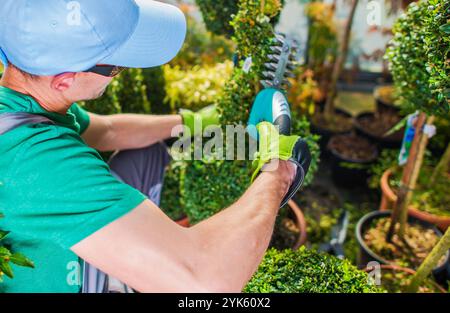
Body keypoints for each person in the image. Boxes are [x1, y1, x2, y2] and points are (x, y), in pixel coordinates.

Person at [0, 0, 310, 293]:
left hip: (60, 235)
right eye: (116, 66)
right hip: (72, 282)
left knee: (148, 152)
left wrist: (188, 123)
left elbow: (106, 131)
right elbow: (206, 282)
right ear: (64, 80)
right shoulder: (41, 162)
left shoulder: (23, 104)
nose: (123, 70)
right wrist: (278, 170)